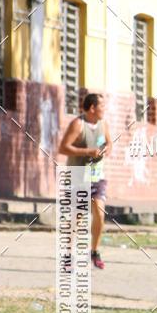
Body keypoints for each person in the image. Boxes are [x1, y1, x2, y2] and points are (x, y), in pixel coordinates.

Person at [58, 93, 112, 269]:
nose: (104, 109)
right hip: (78, 176)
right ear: (92, 108)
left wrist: (106, 149)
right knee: (77, 217)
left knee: (100, 213)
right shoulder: (78, 124)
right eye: (102, 106)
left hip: (97, 176)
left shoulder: (103, 124)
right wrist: (88, 152)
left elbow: (109, 143)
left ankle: (94, 251)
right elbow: (63, 148)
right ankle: (67, 255)